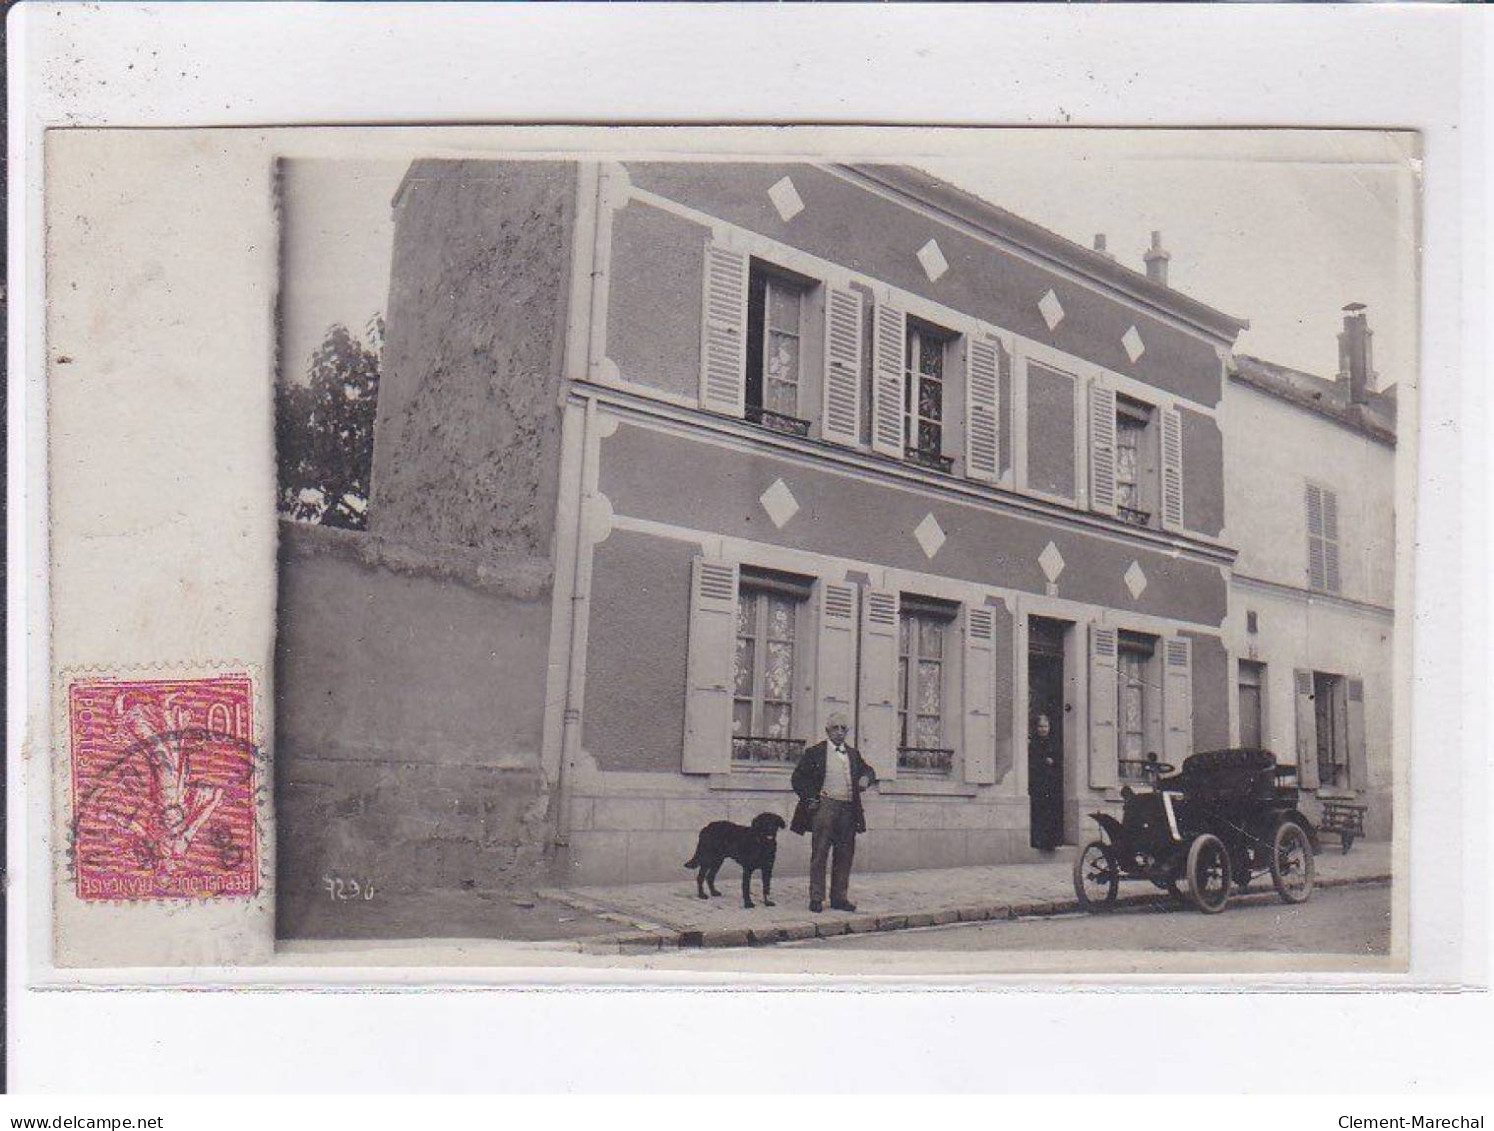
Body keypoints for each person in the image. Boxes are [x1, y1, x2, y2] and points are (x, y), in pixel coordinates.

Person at [791, 712, 878, 913]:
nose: (839, 732)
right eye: (835, 728)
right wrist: (812, 798)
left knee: (845, 854)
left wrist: (866, 778)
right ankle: (816, 898)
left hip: (848, 809)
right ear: (827, 731)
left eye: (843, 729)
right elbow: (798, 779)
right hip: (825, 807)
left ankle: (839, 897)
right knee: (820, 852)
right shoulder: (815, 752)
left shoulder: (853, 754)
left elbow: (869, 770)